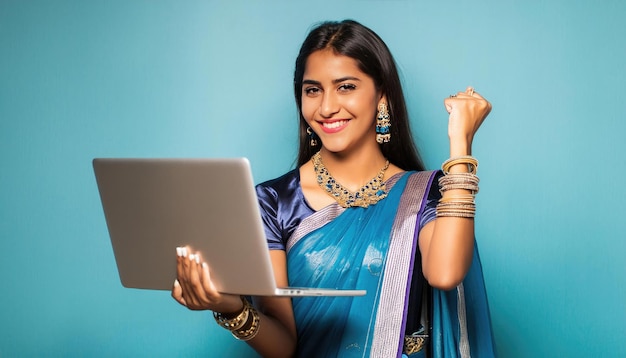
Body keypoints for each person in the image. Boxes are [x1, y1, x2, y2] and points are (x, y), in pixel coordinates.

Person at [172, 19, 495, 357]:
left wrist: (460, 144)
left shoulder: (421, 194)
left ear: (381, 95)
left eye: (345, 87)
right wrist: (228, 306)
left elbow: (445, 273)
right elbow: (283, 345)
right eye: (313, 90)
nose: (326, 107)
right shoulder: (274, 202)